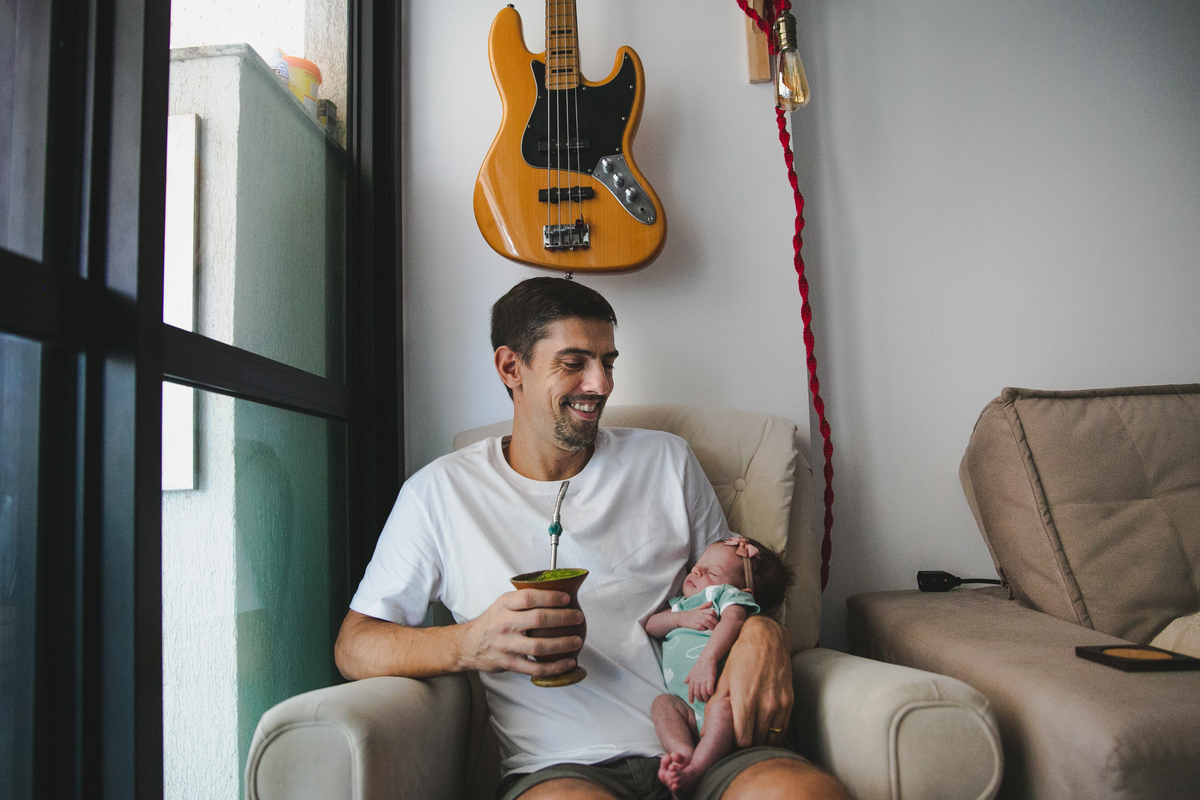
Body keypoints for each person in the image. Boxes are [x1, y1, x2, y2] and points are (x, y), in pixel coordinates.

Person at [334, 277, 850, 800]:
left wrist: (764, 634)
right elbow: (356, 644)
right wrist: (470, 644)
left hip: (710, 744)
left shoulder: (666, 460)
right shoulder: (439, 493)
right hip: (563, 767)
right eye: (574, 362)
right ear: (511, 368)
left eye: (608, 362)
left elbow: (733, 584)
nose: (601, 384)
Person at [647, 536, 795, 799]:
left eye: (712, 572)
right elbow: (651, 626)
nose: (696, 571)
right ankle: (683, 753)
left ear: (743, 591)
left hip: (718, 698)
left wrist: (708, 660)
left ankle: (697, 771)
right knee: (662, 704)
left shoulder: (727, 597)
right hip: (687, 706)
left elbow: (733, 621)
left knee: (722, 711)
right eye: (698, 565)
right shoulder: (681, 605)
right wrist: (681, 618)